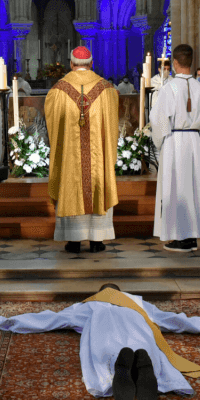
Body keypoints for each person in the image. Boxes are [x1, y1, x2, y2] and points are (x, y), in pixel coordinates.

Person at [0, 283, 200, 400]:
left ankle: (119, 370)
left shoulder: (90, 306)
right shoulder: (137, 303)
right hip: (136, 325)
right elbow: (173, 319)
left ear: (99, 292)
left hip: (102, 327)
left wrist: (5, 322)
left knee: (105, 355)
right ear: (122, 292)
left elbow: (49, 318)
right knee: (146, 347)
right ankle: (143, 365)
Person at [45, 46, 120, 253]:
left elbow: (53, 128)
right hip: (98, 159)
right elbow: (113, 128)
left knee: (71, 184)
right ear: (92, 63)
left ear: (71, 64)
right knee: (97, 182)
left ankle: (73, 240)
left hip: (70, 157)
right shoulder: (106, 90)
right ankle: (97, 240)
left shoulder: (58, 90)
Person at [150, 44, 200, 252]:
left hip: (174, 140)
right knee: (192, 189)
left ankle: (179, 237)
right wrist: (199, 138)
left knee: (175, 189)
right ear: (191, 62)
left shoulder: (169, 88)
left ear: (175, 63)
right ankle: (192, 236)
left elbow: (158, 119)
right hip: (194, 142)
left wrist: (160, 143)